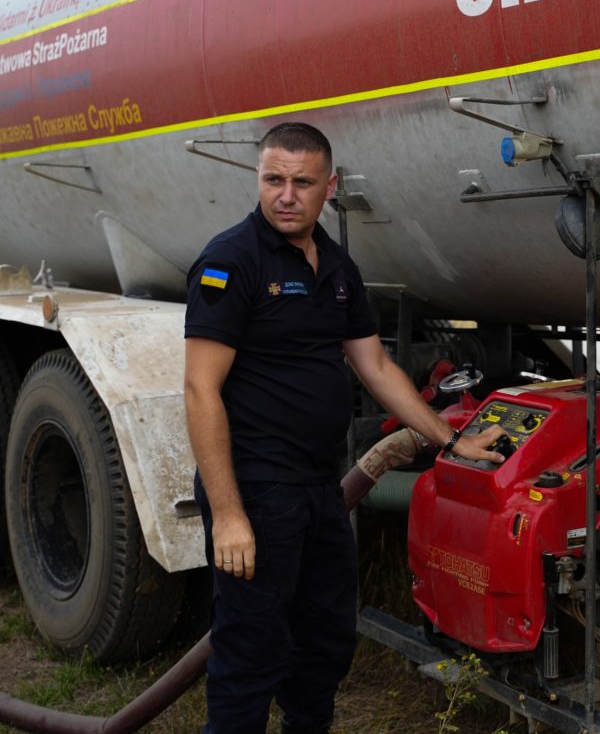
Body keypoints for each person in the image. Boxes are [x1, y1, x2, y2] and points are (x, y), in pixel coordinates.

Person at [183, 121, 505, 734]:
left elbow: (376, 366)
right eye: (273, 179)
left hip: (318, 488)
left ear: (328, 187)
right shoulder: (231, 261)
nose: (285, 194)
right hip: (255, 487)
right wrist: (228, 513)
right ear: (258, 178)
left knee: (326, 643)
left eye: (301, 182)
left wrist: (451, 439)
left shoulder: (335, 266)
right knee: (250, 655)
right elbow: (201, 389)